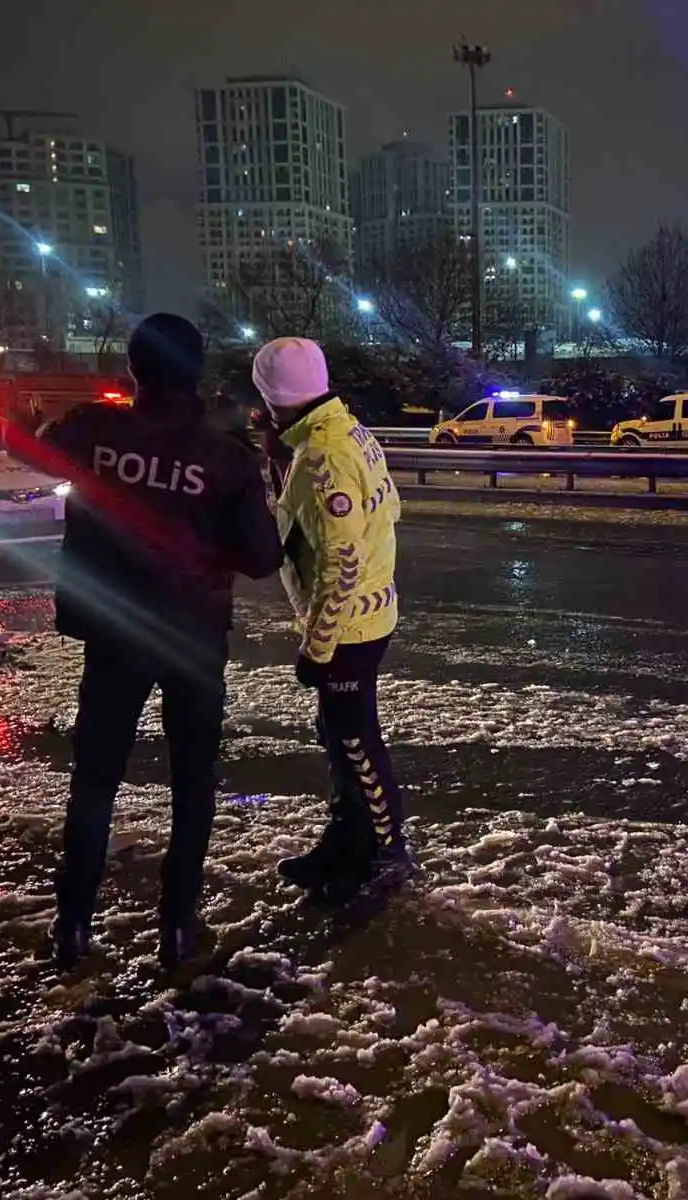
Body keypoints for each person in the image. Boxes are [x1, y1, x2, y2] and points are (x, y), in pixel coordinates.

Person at [24, 313, 283, 969]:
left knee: (96, 782)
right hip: (193, 637)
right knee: (193, 783)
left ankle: (74, 925)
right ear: (197, 373)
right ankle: (176, 926)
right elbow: (261, 556)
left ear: (135, 370)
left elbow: (35, 451)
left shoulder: (92, 430)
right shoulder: (225, 457)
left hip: (113, 634)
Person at [251, 336, 413, 902]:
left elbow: (342, 563)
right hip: (367, 614)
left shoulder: (323, 457)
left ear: (273, 398)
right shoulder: (344, 431)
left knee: (354, 738)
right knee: (339, 733)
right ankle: (346, 842)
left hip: (349, 627)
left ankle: (387, 851)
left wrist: (316, 649)